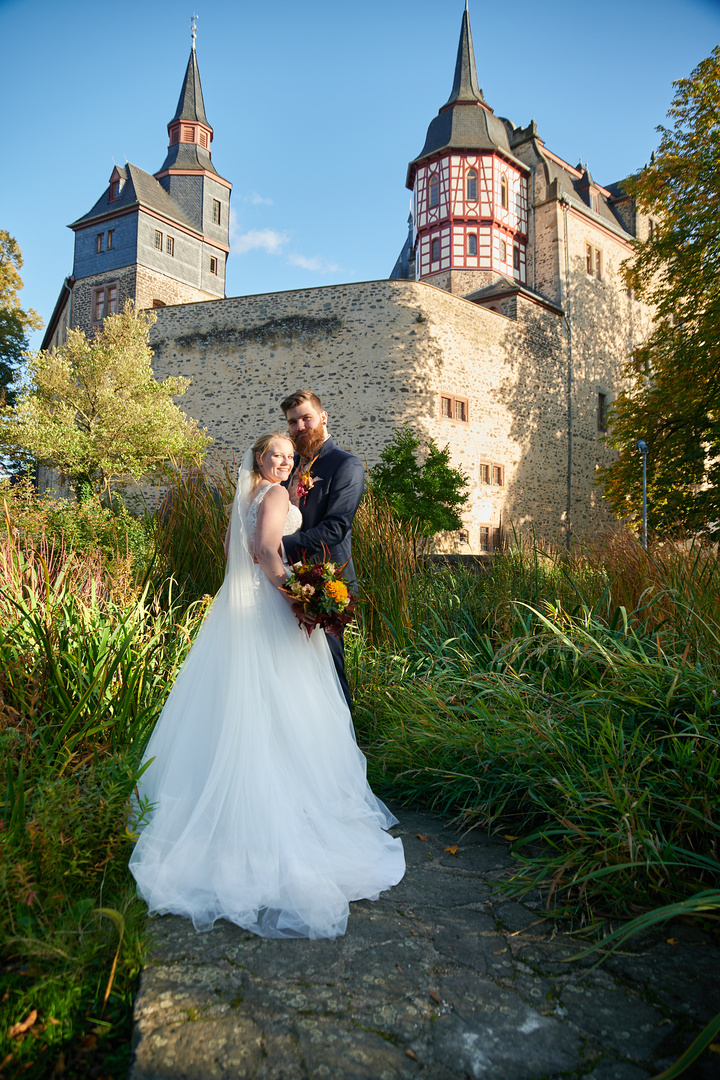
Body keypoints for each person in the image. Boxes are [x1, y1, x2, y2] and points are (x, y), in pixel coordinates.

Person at [129, 432, 404, 940]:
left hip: (239, 610)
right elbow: (264, 551)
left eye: (287, 454)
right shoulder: (275, 495)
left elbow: (242, 547)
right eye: (273, 453)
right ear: (259, 458)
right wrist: (298, 596)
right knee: (288, 705)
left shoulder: (248, 497)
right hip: (270, 607)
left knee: (244, 704)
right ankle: (287, 815)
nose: (282, 460)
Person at [280, 391, 365, 711]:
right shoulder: (287, 466)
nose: (300, 426)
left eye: (306, 418)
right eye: (293, 422)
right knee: (292, 663)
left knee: (329, 662)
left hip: (328, 577)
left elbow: (336, 528)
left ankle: (345, 736)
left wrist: (278, 545)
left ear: (323, 416)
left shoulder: (346, 465)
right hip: (285, 576)